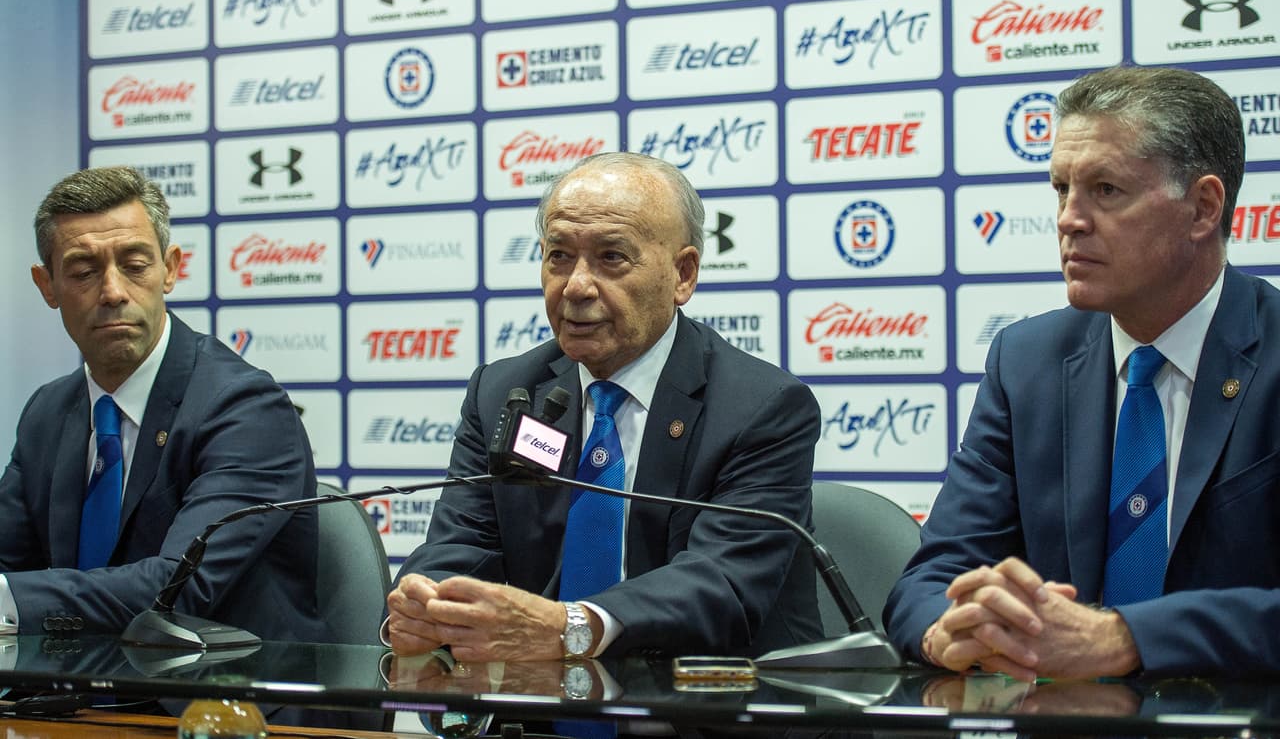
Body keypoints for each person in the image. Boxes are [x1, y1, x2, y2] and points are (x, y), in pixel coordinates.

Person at [884, 65, 1280, 678]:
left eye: (1106, 191)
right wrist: (950, 629)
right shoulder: (1027, 361)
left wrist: (1126, 638)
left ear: (1203, 208)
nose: (1070, 218)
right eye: (1061, 189)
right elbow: (934, 574)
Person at [387, 152, 822, 661]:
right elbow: (462, 542)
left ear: (683, 274)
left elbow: (722, 584)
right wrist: (427, 609)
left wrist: (572, 626)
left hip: (704, 706)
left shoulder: (760, 408)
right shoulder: (504, 391)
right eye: (559, 256)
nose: (575, 286)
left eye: (612, 257)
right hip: (542, 707)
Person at [0, 165, 323, 641]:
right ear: (47, 286)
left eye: (134, 266)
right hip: (73, 700)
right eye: (84, 272)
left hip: (218, 702)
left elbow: (178, 588)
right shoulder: (47, 412)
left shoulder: (245, 408)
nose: (112, 292)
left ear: (169, 269)